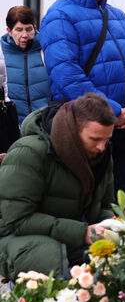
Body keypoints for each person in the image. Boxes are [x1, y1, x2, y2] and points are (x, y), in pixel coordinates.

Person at [40, 0, 125, 201]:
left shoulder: (119, 16)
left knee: (119, 210)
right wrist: (112, 112)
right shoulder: (59, 17)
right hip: (86, 135)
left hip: (124, 131)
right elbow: (67, 76)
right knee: (90, 211)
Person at [0, 93, 115, 278]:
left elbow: (105, 205)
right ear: (73, 131)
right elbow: (17, 219)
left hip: (73, 233)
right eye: (95, 139)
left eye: (107, 139)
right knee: (55, 264)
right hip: (18, 237)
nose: (102, 147)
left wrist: (112, 225)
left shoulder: (101, 154)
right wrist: (81, 232)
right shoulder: (29, 153)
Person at [2, 6, 50, 126]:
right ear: (9, 30)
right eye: (19, 30)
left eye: (29, 29)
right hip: (12, 128)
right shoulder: (1, 54)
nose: (25, 35)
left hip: (44, 126)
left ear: (35, 28)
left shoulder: (46, 49)